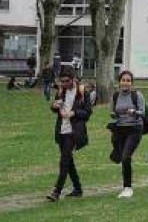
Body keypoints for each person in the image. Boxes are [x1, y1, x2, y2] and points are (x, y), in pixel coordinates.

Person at [46, 70, 92, 202]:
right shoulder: (61, 91)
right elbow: (55, 108)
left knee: (64, 161)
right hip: (62, 131)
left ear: (74, 79)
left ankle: (56, 191)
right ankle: (77, 188)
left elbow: (88, 113)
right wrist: (54, 106)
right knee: (68, 162)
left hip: (74, 132)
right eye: (62, 81)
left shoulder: (82, 92)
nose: (64, 83)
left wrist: (74, 113)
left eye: (67, 81)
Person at [109, 71, 147, 198]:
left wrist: (134, 112)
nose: (125, 82)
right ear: (119, 81)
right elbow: (113, 111)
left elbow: (143, 113)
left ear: (131, 83)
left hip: (135, 128)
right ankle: (118, 154)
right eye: (123, 80)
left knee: (126, 157)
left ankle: (127, 187)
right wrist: (114, 115)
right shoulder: (115, 96)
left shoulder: (137, 95)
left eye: (128, 80)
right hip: (120, 129)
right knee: (120, 156)